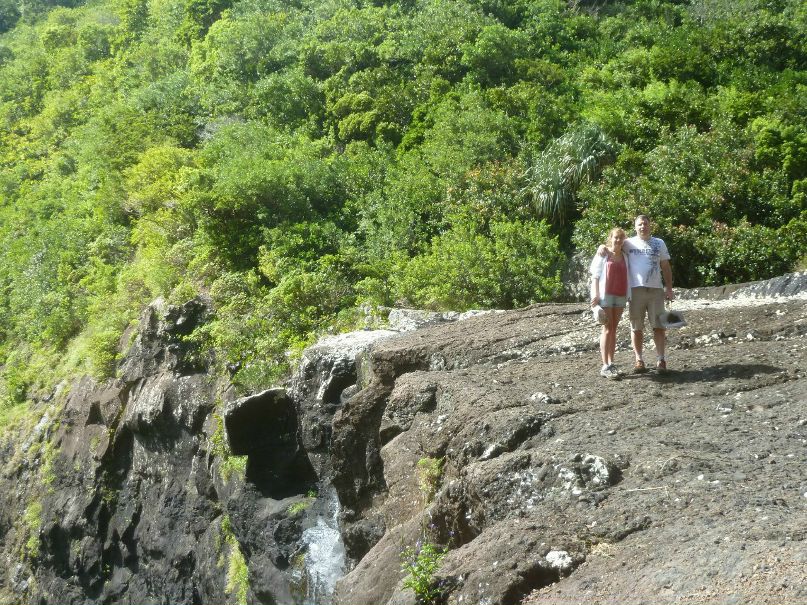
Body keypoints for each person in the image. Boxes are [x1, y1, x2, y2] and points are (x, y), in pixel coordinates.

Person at [610, 214, 674, 373]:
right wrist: (601, 249)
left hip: (656, 290)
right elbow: (613, 246)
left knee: (659, 325)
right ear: (635, 227)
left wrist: (669, 288)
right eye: (639, 224)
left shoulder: (659, 243)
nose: (643, 227)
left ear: (650, 225)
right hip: (636, 290)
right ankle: (639, 360)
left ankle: (661, 360)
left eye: (645, 223)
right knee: (636, 326)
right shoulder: (628, 243)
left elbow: (665, 266)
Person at [590, 228, 630, 379]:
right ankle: (605, 364)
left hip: (620, 296)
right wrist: (596, 295)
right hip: (605, 295)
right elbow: (595, 276)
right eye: (615, 238)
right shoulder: (603, 254)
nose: (618, 240)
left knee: (614, 329)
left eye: (621, 238)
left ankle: (611, 362)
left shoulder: (626, 255)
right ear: (610, 239)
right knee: (607, 329)